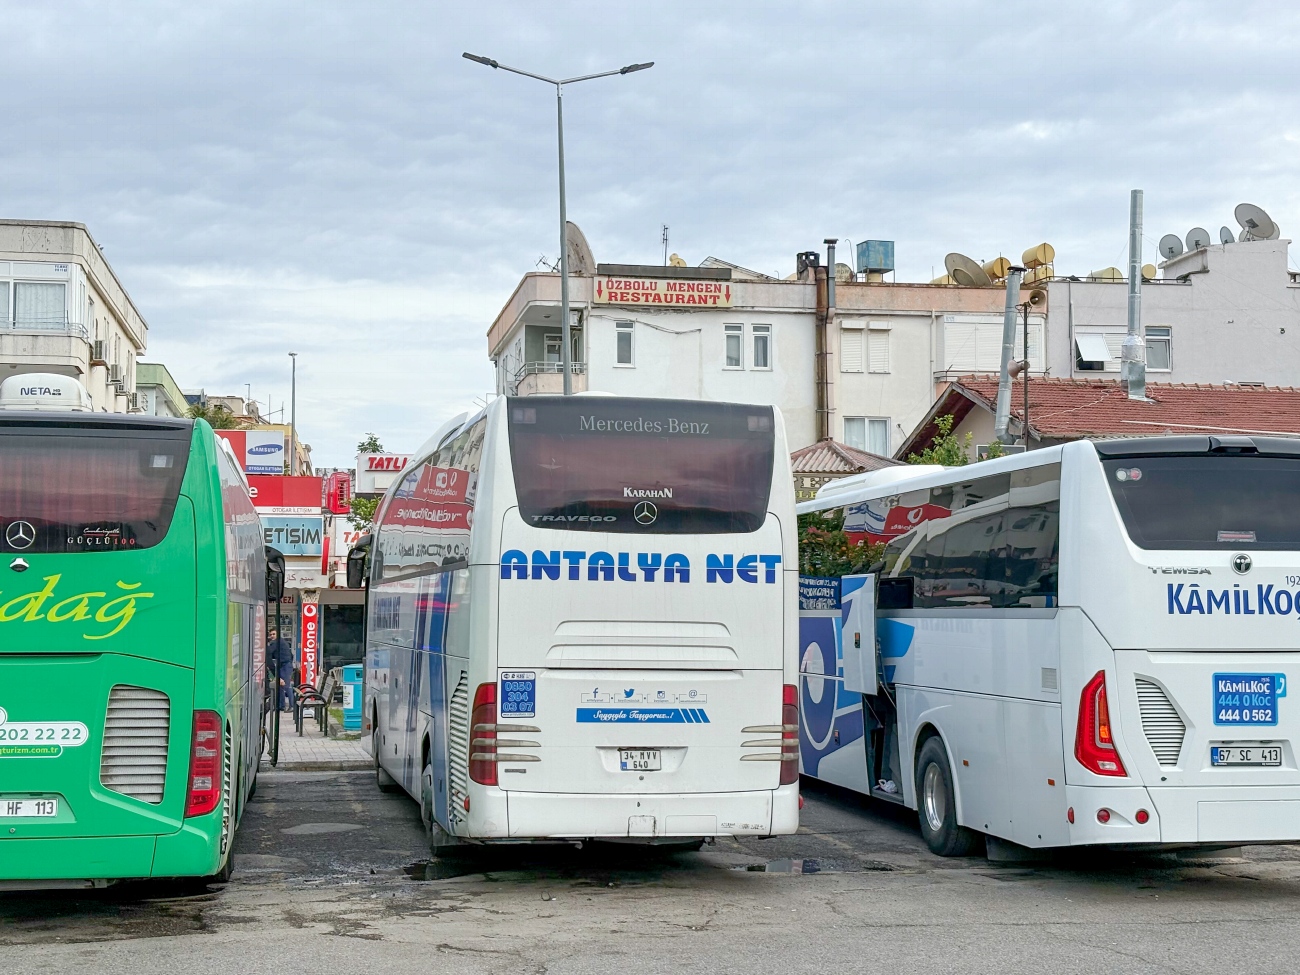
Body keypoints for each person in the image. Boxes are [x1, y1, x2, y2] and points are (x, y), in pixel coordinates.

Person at [267, 627, 295, 712]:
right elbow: (291, 655)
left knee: (286, 685)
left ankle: (292, 705)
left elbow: (269, 652)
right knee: (280, 686)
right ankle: (281, 706)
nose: (272, 636)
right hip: (284, 665)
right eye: (270, 634)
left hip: (285, 665)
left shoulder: (276, 642)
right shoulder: (282, 642)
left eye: (274, 634)